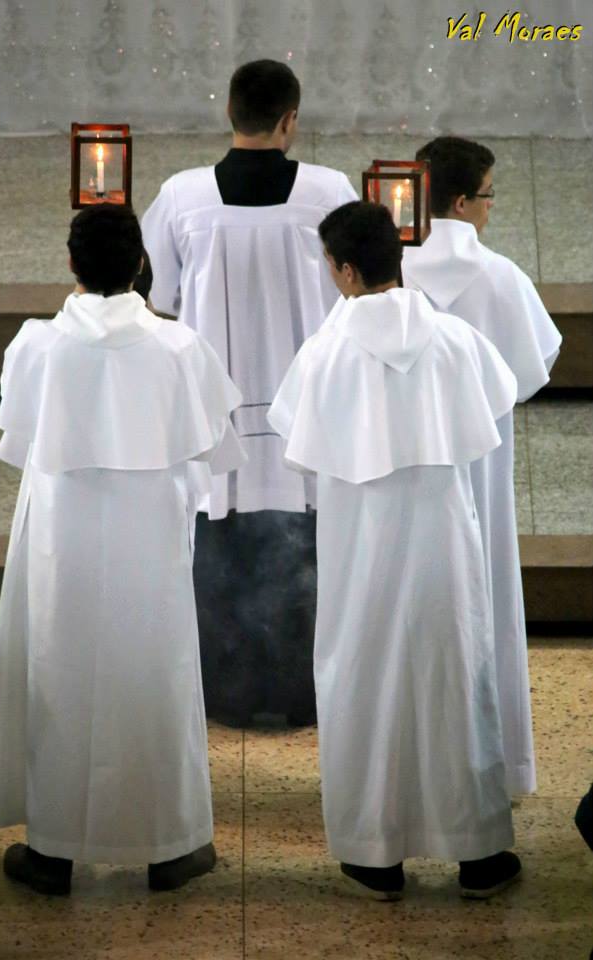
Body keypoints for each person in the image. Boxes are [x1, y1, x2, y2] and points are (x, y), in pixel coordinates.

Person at [0, 204, 245, 895]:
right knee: (153, 670)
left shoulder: (37, 346)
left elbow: (18, 440)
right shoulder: (179, 347)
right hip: (149, 539)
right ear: (140, 265)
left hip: (60, 541)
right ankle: (169, 848)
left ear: (71, 263)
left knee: (59, 667)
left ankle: (53, 851)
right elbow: (217, 449)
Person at [268, 201, 522, 900]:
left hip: (361, 549)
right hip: (444, 541)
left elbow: (299, 448)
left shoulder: (324, 353)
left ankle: (373, 855)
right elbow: (495, 408)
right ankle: (478, 854)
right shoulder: (455, 339)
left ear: (345, 270)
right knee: (453, 679)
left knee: (364, 680)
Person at [141, 59, 358, 726]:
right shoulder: (329, 191)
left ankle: (225, 696)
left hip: (218, 417)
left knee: (222, 554)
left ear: (229, 113)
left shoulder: (181, 196)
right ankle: (302, 696)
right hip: (305, 415)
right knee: (302, 556)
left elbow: (157, 296)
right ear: (290, 120)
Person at [402, 136, 562, 797]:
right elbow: (533, 369)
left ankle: (414, 766)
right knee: (487, 591)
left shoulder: (391, 273)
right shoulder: (500, 278)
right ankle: (496, 766)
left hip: (407, 461)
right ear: (463, 202)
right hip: (482, 462)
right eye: (489, 195)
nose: (492, 208)